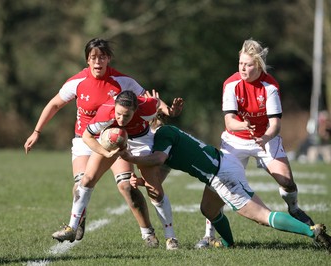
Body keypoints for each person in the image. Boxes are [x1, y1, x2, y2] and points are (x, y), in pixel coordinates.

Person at [24, 38, 180, 247]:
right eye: (93, 57)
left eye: (102, 57)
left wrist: (168, 110)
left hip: (114, 138)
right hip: (85, 138)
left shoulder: (122, 81)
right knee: (82, 183)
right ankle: (76, 223)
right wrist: (37, 131)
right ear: (87, 60)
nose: (98, 62)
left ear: (108, 58)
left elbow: (147, 99)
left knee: (126, 186)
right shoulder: (77, 82)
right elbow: (54, 104)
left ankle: (147, 232)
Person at [120, 125, 331, 252]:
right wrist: (141, 181)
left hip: (221, 175)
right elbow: (161, 169)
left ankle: (312, 231)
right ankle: (229, 244)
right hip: (220, 167)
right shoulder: (164, 139)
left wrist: (131, 157)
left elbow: (158, 159)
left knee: (262, 216)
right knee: (208, 210)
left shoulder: (163, 135)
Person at [196, 39, 315, 248]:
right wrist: (245, 126)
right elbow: (229, 122)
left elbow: (275, 123)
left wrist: (266, 137)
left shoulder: (270, 86)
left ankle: (294, 209)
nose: (243, 68)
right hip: (235, 140)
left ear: (259, 65)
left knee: (286, 181)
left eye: (248, 64)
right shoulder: (231, 84)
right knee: (219, 184)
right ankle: (209, 234)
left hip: (265, 138)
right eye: (241, 63)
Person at [51, 90, 184, 250]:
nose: (121, 119)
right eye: (118, 114)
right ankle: (72, 227)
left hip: (141, 140)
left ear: (135, 110)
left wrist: (168, 110)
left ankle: (170, 238)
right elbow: (87, 136)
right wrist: (106, 152)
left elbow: (156, 104)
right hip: (111, 140)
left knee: (154, 189)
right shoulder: (106, 111)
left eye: (126, 115)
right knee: (87, 179)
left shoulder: (147, 107)